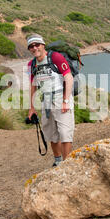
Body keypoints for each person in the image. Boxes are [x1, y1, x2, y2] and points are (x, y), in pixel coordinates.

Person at [26, 34, 75, 167]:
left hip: (61, 97)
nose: (34, 48)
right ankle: (58, 161)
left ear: (43, 45)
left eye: (37, 44)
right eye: (31, 46)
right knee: (52, 134)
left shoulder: (55, 57)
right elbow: (33, 86)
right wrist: (32, 107)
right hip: (45, 100)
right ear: (29, 49)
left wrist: (66, 100)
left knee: (65, 133)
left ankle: (67, 165)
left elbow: (69, 78)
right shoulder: (31, 64)